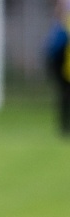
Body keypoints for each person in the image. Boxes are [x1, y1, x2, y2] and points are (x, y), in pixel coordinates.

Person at [48, 0, 70, 136]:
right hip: (63, 65)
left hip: (62, 64)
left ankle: (64, 126)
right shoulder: (64, 26)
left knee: (65, 96)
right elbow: (55, 49)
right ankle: (64, 126)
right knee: (65, 96)